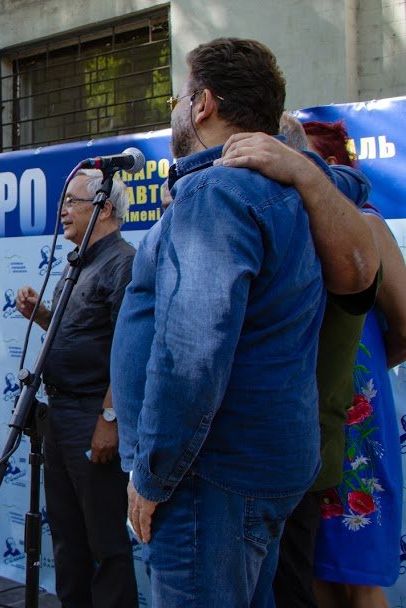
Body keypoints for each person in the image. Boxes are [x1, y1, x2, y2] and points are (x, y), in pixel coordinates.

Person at [111, 38, 324, 606]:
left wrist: (153, 474)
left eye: (182, 96)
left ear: (203, 104)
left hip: (208, 482)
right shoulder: (291, 190)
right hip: (251, 473)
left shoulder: (215, 193)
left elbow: (191, 353)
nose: (176, 110)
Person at [218, 118, 381, 607]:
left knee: (308, 583)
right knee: (304, 583)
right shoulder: (301, 226)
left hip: (298, 447)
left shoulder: (336, 236)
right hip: (291, 448)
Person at [14, 173, 138, 607]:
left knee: (106, 544)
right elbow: (83, 333)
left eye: (72, 201)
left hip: (93, 417)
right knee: (67, 539)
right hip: (60, 415)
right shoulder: (76, 263)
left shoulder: (123, 263)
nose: (62, 210)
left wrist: (109, 418)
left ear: (104, 208)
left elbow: (131, 349)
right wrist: (41, 315)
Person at [304, 120, 406, 608]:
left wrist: (356, 377)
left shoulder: (367, 224)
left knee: (358, 574)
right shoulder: (291, 232)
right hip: (305, 422)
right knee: (314, 570)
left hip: (356, 424)